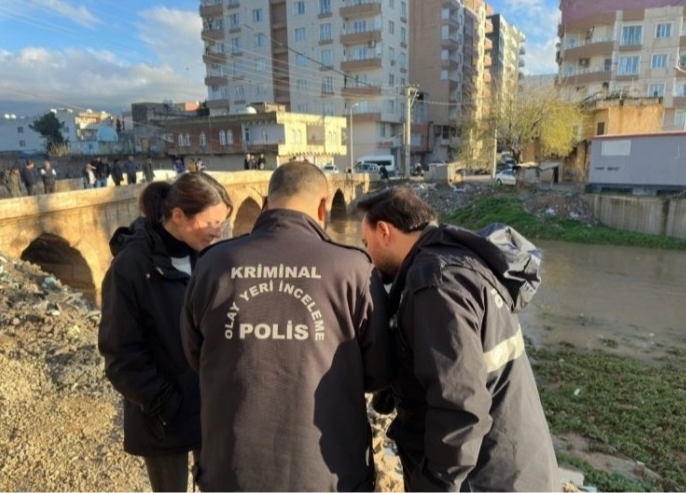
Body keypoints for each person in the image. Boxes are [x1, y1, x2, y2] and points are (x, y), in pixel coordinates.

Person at [181, 161, 393, 492]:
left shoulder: (213, 264)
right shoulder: (354, 269)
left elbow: (196, 356)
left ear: (266, 204)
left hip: (231, 471)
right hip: (328, 473)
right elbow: (378, 371)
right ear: (323, 208)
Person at [356, 186, 558, 493]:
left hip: (482, 479)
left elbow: (460, 408)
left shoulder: (435, 285)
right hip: (515, 466)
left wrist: (432, 486)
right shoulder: (461, 262)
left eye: (365, 243)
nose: (368, 256)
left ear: (384, 231)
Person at [98, 173, 234, 493]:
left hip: (209, 408)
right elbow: (120, 355)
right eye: (211, 222)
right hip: (163, 416)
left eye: (222, 223)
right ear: (178, 216)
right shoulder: (131, 267)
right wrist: (165, 404)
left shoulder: (207, 257)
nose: (218, 232)